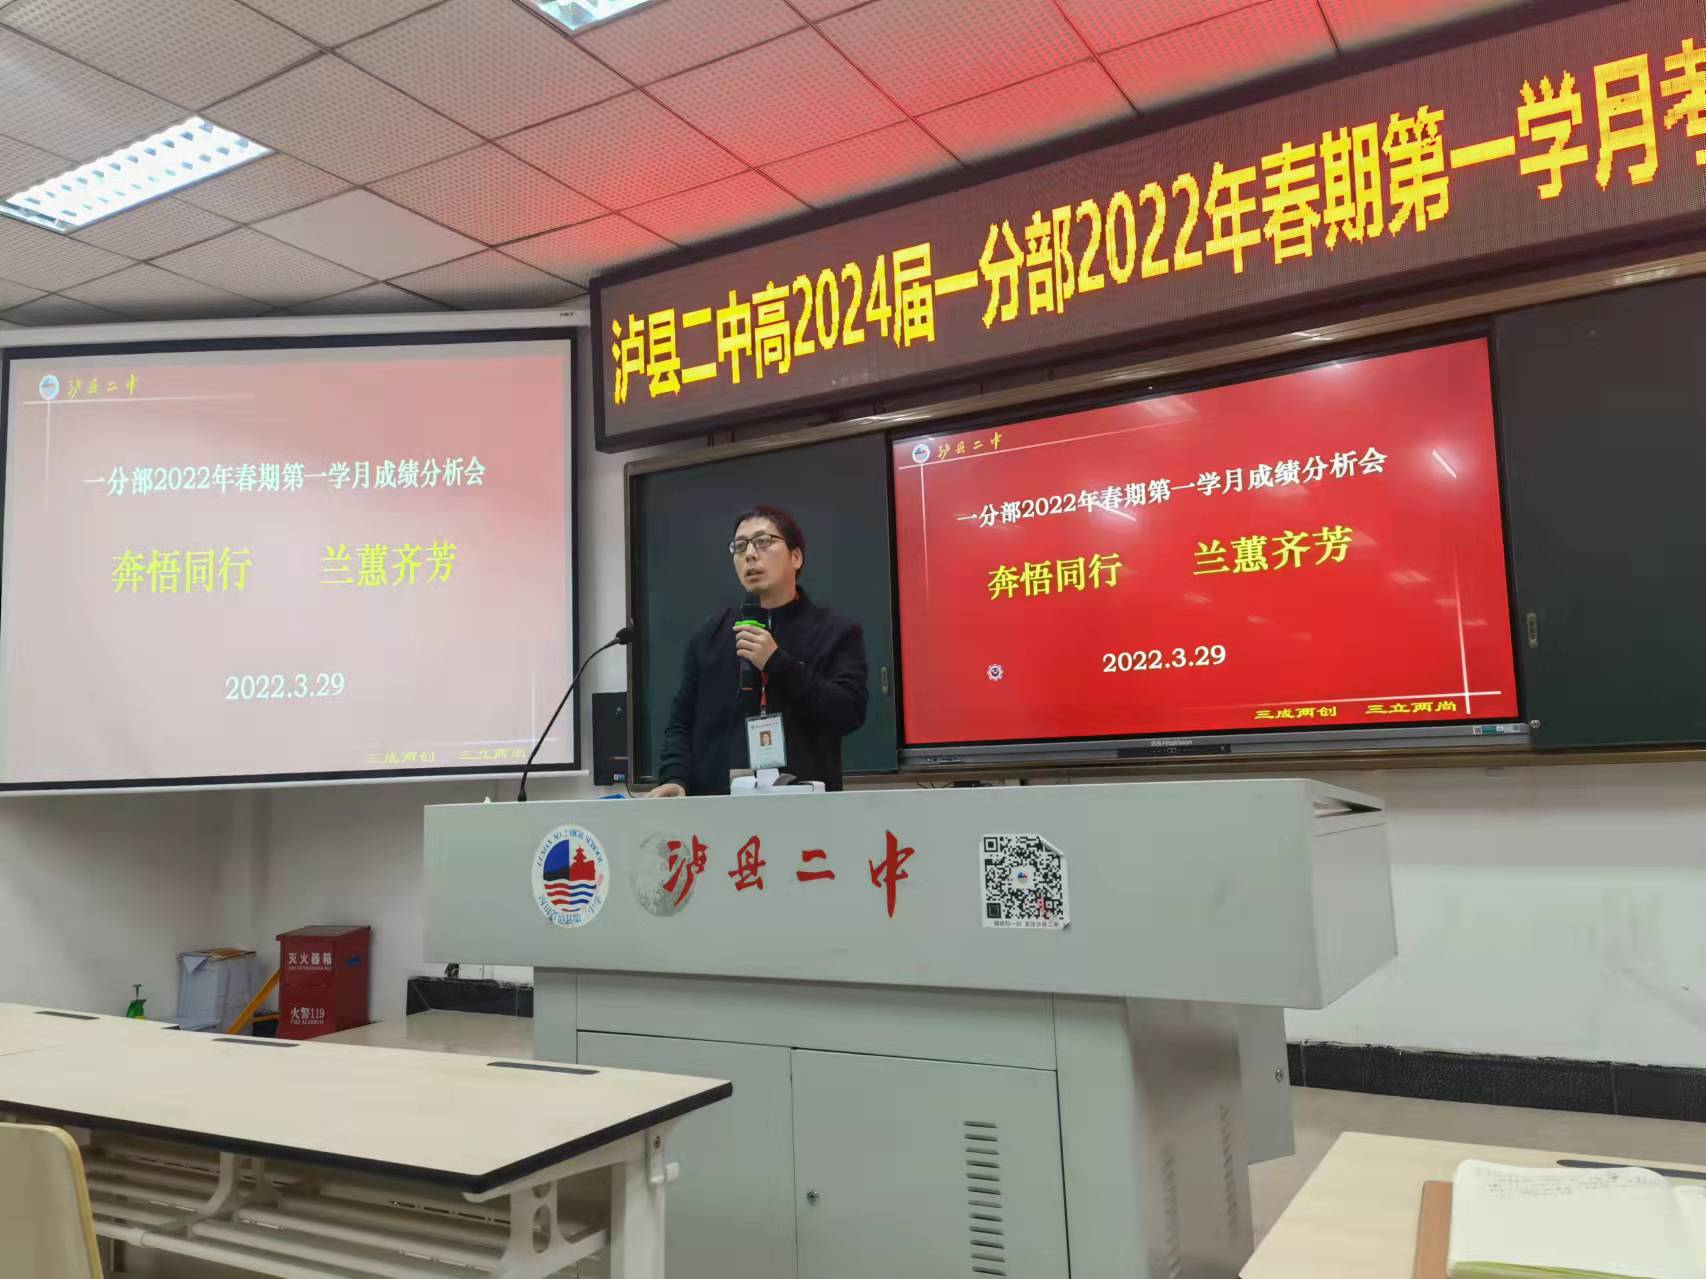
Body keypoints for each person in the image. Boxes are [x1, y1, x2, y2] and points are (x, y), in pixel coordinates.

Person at [652, 506, 867, 796]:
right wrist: (674, 777)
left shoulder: (836, 632)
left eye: (763, 541)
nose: (750, 554)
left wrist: (777, 662)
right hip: (717, 807)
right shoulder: (709, 636)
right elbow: (680, 723)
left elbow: (849, 712)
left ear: (796, 557)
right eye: (740, 546)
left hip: (804, 805)